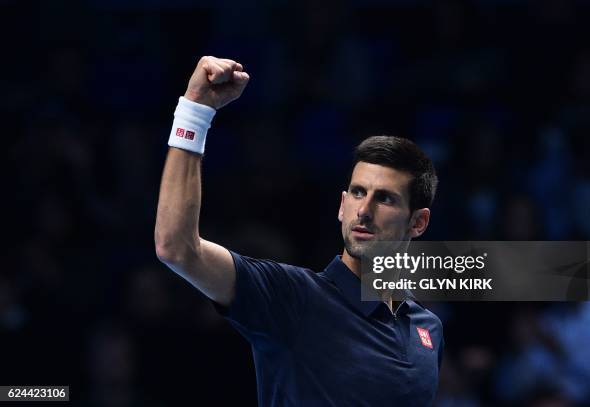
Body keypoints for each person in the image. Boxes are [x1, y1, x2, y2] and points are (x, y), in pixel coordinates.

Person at [155, 55, 444, 406]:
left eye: (384, 199)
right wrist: (195, 111)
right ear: (341, 205)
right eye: (357, 193)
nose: (364, 210)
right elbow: (177, 248)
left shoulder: (428, 329)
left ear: (419, 222)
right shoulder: (293, 299)